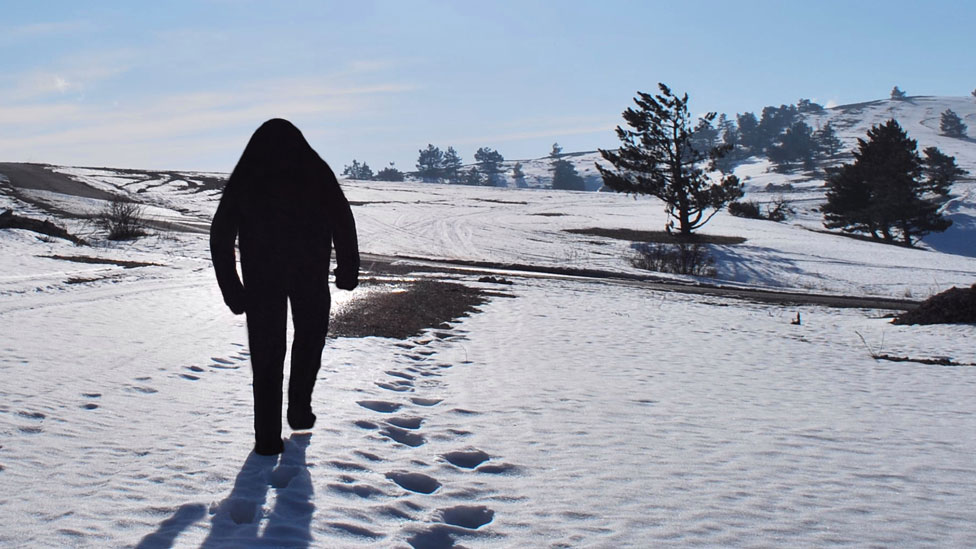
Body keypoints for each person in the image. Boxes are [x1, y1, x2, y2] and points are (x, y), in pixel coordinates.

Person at [210, 118, 359, 456]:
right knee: (309, 339)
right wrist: (347, 269)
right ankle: (299, 409)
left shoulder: (248, 172)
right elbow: (342, 217)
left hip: (263, 277)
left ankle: (267, 437)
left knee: (267, 354)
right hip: (309, 273)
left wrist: (232, 289)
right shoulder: (315, 167)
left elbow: (220, 235)